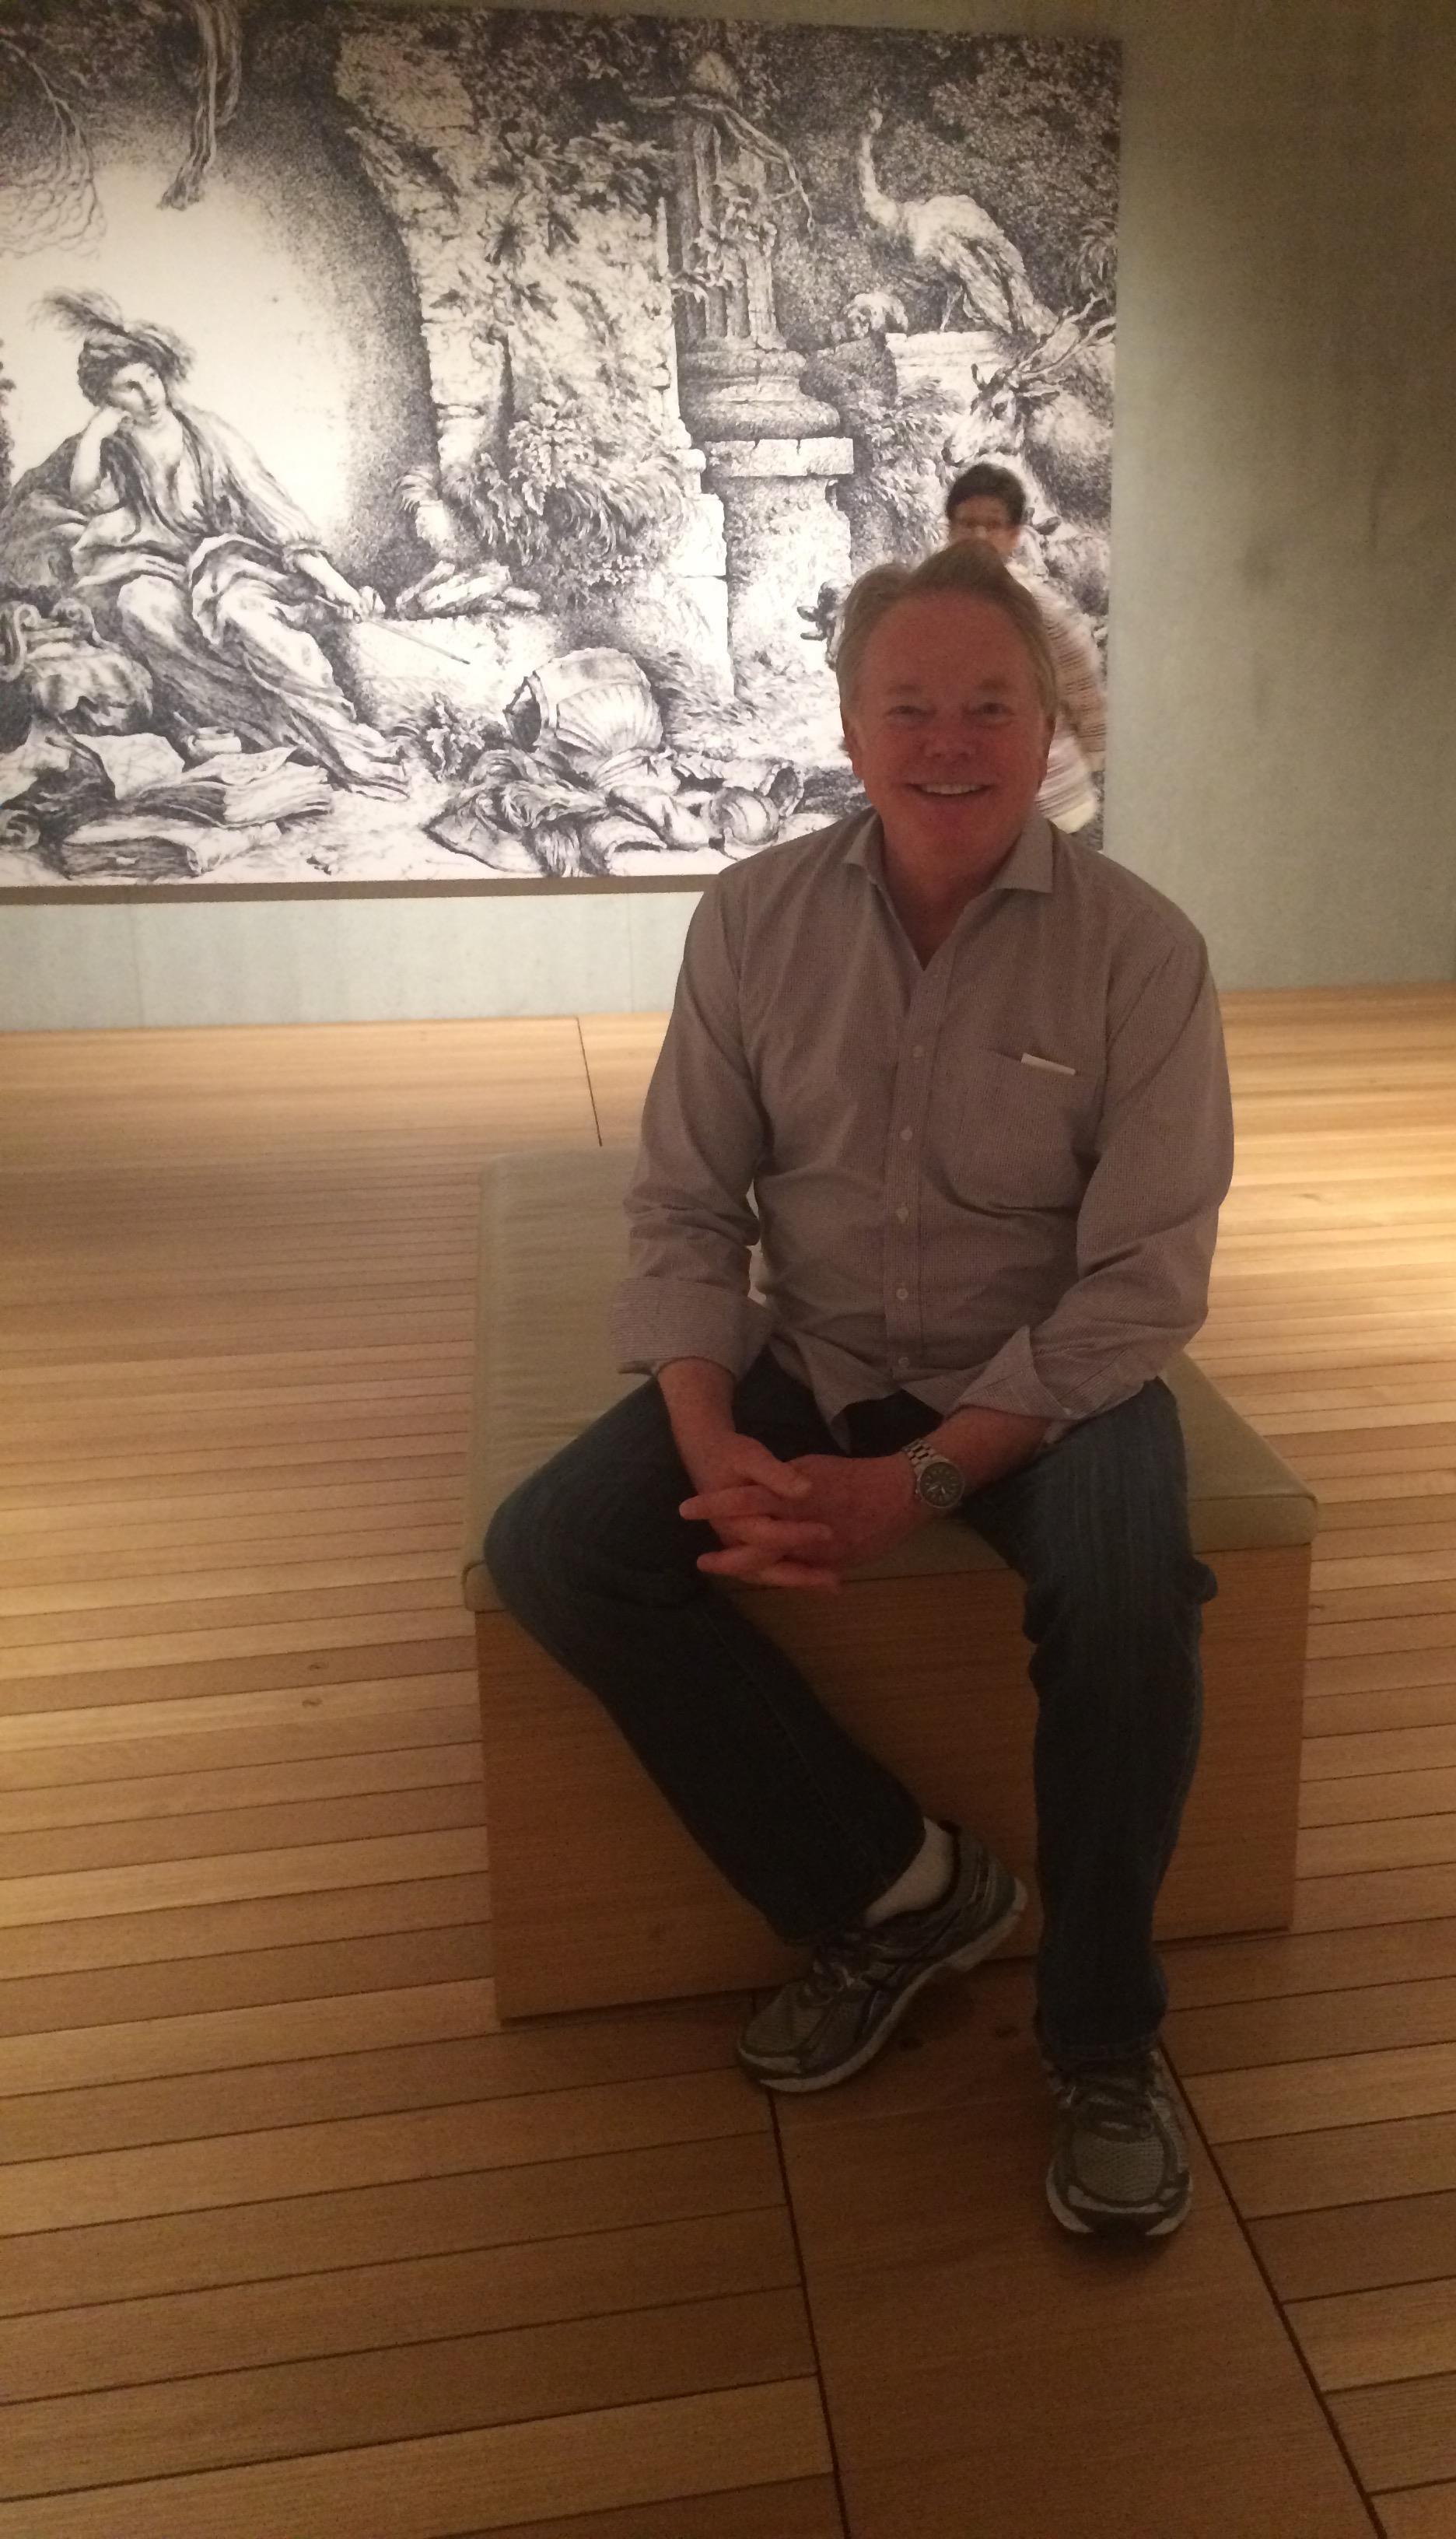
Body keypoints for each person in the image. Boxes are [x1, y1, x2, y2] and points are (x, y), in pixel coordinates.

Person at [484, 539, 1232, 2242]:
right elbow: (687, 1206)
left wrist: (925, 1483)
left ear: (1050, 724)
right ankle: (896, 1887)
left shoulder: (1141, 952)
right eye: (909, 706)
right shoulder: (752, 920)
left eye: (991, 705)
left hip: (1047, 1379)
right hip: (814, 1350)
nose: (949, 742)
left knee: (1130, 1595)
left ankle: (1104, 2034)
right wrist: (710, 1437)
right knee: (557, 1547)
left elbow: (1141, 1283)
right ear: (847, 726)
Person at [0, 292, 405, 795]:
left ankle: (346, 739)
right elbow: (82, 495)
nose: (149, 394)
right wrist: (94, 435)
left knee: (244, 617)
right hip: (163, 570)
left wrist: (332, 581)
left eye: (151, 378)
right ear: (107, 398)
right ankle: (259, 728)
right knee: (138, 606)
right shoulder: (116, 448)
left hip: (232, 566)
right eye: (129, 387)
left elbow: (271, 511)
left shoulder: (207, 435)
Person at [943, 460, 1106, 839]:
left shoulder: (1037, 608)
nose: (979, 535)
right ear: (949, 529)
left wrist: (1090, 758)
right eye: (968, 523)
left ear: (1015, 534)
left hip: (1047, 805)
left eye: (993, 525)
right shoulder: (930, 605)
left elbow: (1084, 689)